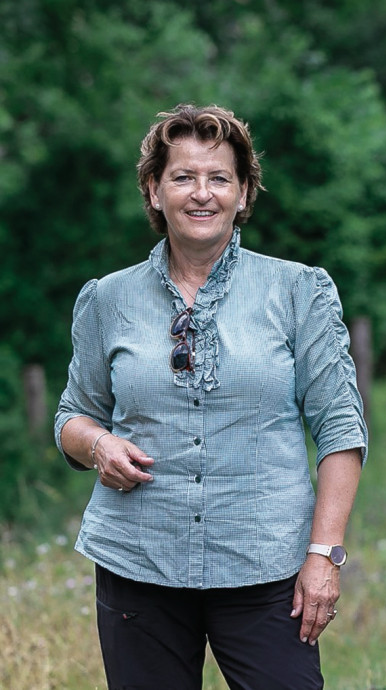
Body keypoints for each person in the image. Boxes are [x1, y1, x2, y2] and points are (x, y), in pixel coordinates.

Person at [54, 103, 368, 689]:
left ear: (244, 193)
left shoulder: (299, 292)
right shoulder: (106, 300)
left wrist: (324, 555)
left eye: (219, 178)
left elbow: (341, 431)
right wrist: (98, 445)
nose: (202, 194)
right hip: (138, 561)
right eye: (183, 177)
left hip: (267, 565)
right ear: (154, 190)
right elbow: (73, 416)